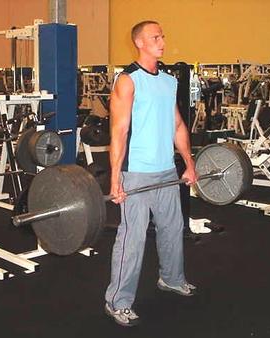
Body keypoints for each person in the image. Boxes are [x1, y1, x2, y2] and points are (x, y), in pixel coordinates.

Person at [104, 20, 198, 327]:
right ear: (140, 43)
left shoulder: (169, 81)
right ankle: (118, 301)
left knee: (173, 229)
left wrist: (189, 163)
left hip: (166, 171)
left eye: (163, 36)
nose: (162, 42)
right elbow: (118, 131)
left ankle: (171, 279)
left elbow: (178, 125)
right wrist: (115, 178)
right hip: (137, 174)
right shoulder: (128, 80)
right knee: (132, 238)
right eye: (156, 37)